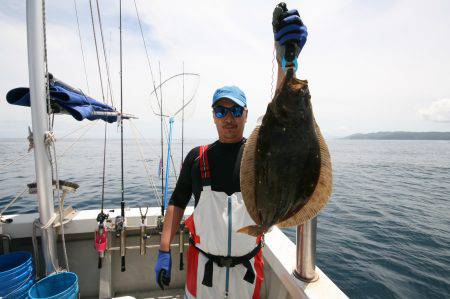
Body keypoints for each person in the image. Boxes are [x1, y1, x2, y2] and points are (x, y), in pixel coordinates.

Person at [155, 5, 308, 299]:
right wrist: (164, 249)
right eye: (221, 110)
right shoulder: (197, 158)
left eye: (235, 110)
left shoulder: (258, 151)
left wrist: (287, 61)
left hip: (247, 276)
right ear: (213, 115)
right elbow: (176, 202)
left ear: (246, 114)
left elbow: (283, 117)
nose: (229, 117)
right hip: (202, 278)